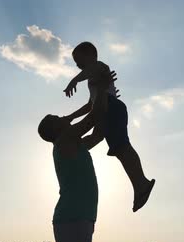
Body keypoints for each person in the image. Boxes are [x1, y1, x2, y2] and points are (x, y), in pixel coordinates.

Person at [38, 70, 116, 242]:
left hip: (79, 217)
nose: (61, 115)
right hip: (72, 217)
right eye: (56, 117)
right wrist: (102, 89)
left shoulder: (71, 142)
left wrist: (109, 99)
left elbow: (98, 133)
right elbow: (93, 117)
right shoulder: (64, 141)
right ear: (54, 129)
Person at [63, 41, 155, 212]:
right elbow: (90, 105)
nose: (77, 66)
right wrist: (70, 117)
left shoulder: (100, 67)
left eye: (78, 60)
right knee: (94, 139)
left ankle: (141, 183)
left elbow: (91, 71)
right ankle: (71, 157)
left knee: (121, 147)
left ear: (91, 55)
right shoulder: (93, 79)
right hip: (103, 109)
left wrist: (74, 80)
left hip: (111, 107)